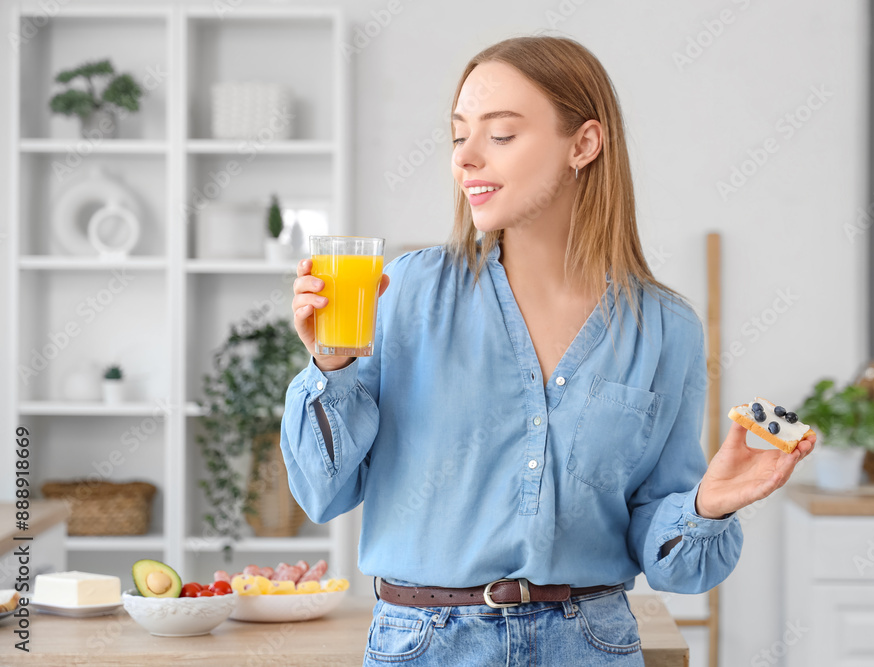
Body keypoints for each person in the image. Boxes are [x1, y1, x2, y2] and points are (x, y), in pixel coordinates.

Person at [281, 35, 815, 666]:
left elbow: (669, 559)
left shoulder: (665, 327)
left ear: (583, 145)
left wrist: (705, 507)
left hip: (590, 642)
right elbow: (322, 494)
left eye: (500, 135)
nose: (466, 159)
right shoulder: (406, 292)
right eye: (459, 136)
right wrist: (330, 369)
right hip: (424, 647)